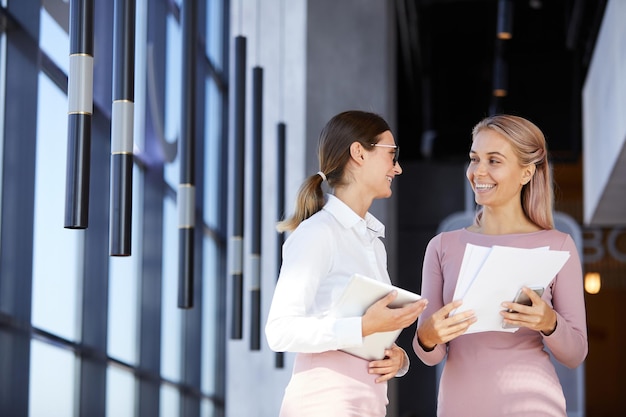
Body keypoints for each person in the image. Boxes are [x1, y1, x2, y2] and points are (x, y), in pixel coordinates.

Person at [413, 114, 588, 417]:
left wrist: (549, 323)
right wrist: (427, 337)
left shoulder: (559, 246)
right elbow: (431, 356)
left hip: (535, 405)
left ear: (526, 173)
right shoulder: (442, 246)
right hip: (460, 406)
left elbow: (575, 355)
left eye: (494, 161)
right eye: (474, 159)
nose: (478, 171)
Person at [265, 110, 429, 417]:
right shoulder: (318, 233)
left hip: (366, 403)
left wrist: (393, 356)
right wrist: (364, 326)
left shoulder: (372, 242)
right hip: (323, 403)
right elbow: (279, 331)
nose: (398, 168)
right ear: (359, 153)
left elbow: (353, 332)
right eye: (391, 155)